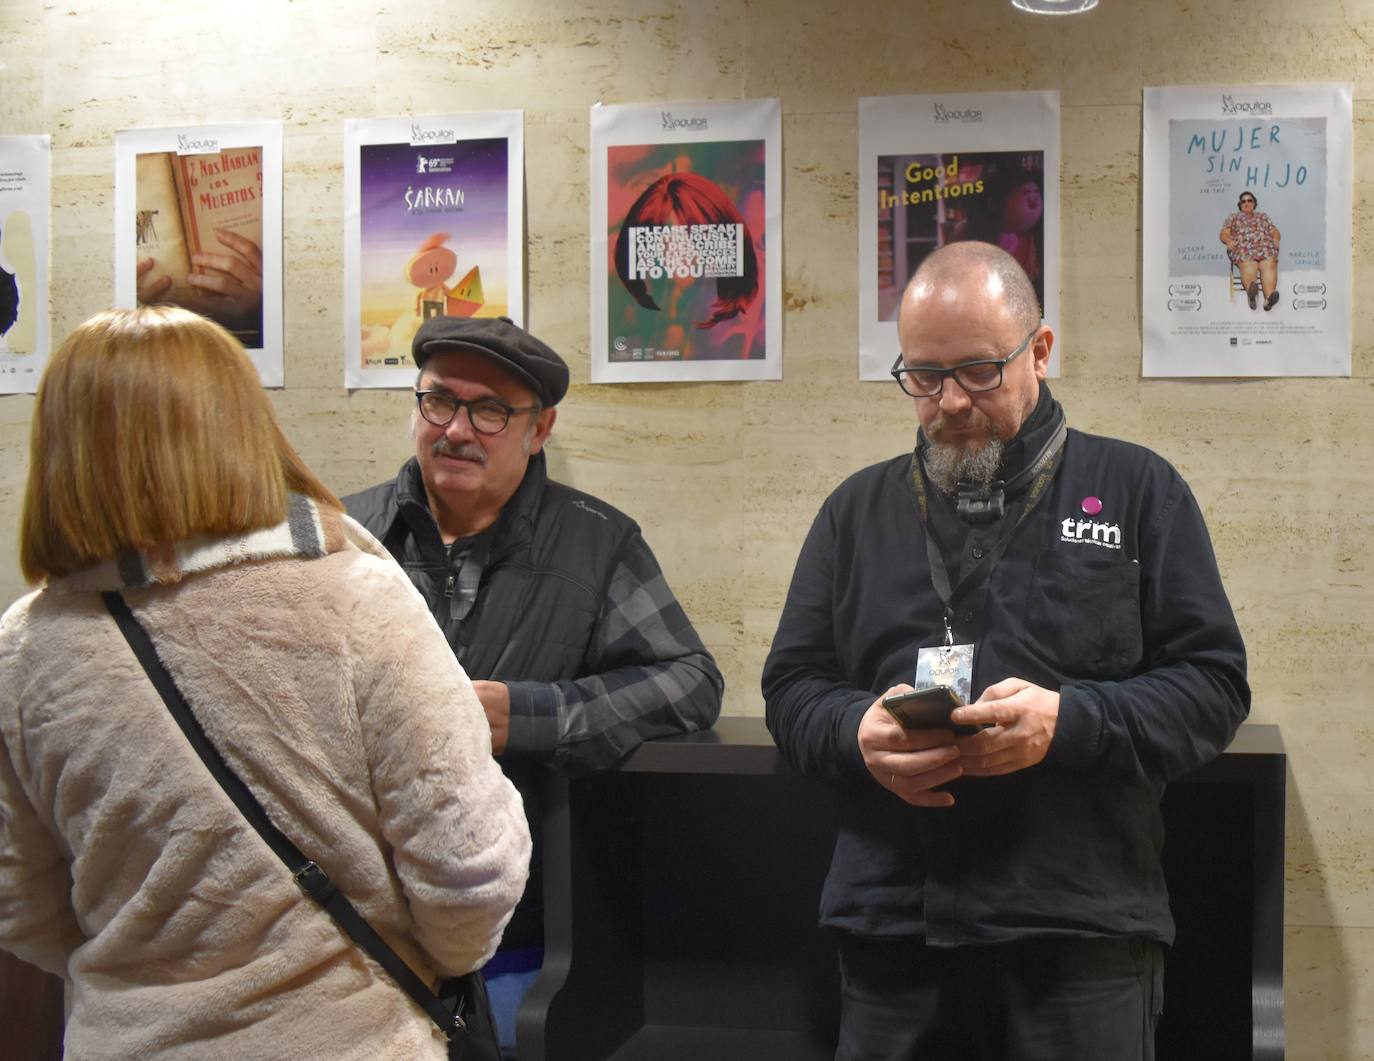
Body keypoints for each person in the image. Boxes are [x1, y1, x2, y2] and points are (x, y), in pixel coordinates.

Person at [0, 306, 531, 1060]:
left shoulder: (24, 650)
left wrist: (151, 970)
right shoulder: (358, 595)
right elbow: (469, 876)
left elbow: (24, 906)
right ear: (241, 422)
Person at [763, 241, 1249, 1061]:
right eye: (922, 375)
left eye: (980, 370)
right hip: (891, 931)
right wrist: (856, 731)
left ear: (1042, 351)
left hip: (1078, 934)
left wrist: (1071, 721)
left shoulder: (1139, 491)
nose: (951, 400)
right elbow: (793, 686)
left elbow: (1213, 687)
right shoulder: (855, 511)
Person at [343, 314, 724, 1055]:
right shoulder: (344, 534)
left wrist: (528, 714)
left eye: (489, 411)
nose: (456, 428)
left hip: (511, 942)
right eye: (438, 400)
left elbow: (689, 682)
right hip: (354, 933)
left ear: (539, 428)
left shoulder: (597, 541)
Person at [1219, 192, 1281, 310]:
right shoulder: (1233, 217)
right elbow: (1224, 233)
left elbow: (1274, 231)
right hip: (1244, 247)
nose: (1246, 203)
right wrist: (1228, 241)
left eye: (1249, 200)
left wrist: (1276, 239)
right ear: (1240, 205)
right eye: (1243, 201)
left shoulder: (1263, 216)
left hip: (1265, 246)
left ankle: (1268, 299)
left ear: (1254, 203)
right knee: (1248, 264)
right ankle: (1252, 294)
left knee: (1269, 264)